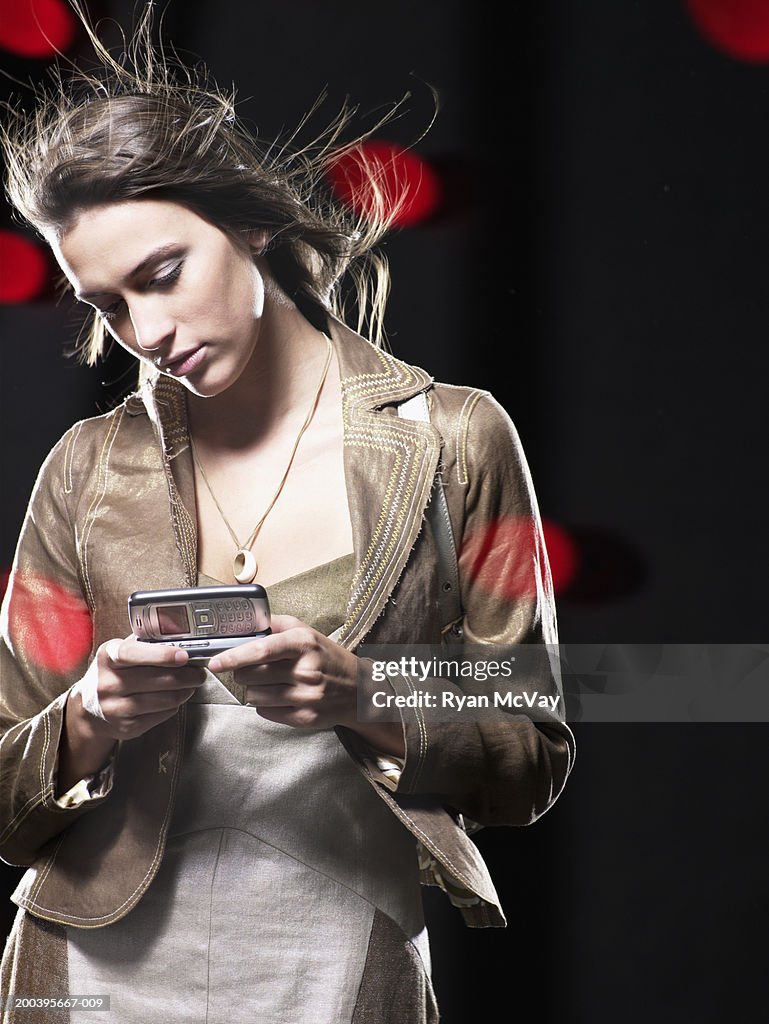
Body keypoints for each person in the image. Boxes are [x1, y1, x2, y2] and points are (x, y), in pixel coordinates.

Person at [0, 4, 575, 1022]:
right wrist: (90, 715)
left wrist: (362, 691)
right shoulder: (86, 472)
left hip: (335, 968)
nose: (148, 330)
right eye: (108, 307)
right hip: (88, 978)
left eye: (163, 274)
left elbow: (529, 748)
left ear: (252, 224)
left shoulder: (453, 440)